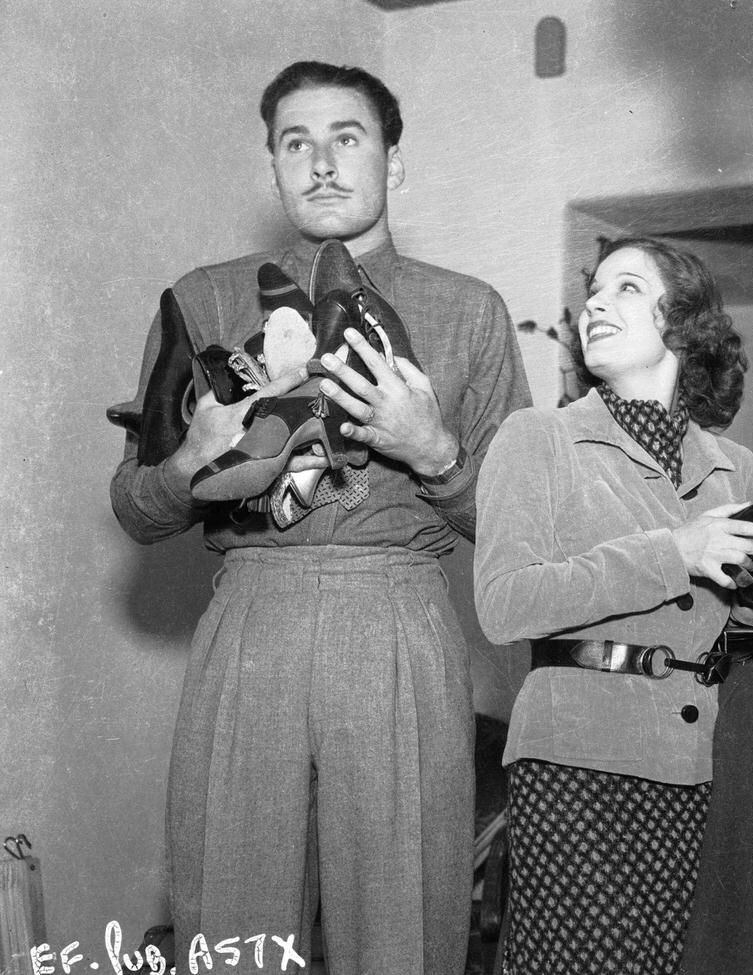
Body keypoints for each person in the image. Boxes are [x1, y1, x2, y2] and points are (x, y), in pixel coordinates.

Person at [109, 61, 530, 974]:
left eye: (349, 138)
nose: (323, 162)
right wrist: (190, 456)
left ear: (394, 163)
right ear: (272, 170)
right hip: (250, 621)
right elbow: (136, 507)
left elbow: (519, 534)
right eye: (295, 143)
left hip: (401, 621)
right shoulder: (203, 300)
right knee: (231, 918)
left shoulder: (471, 313)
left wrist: (434, 451)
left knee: (401, 928)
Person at [473, 236, 753, 974]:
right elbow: (504, 601)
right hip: (578, 767)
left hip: (700, 767)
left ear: (682, 323)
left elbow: (700, 618)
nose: (594, 301)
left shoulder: (733, 465)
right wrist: (674, 552)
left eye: (625, 287)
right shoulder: (538, 439)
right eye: (594, 289)